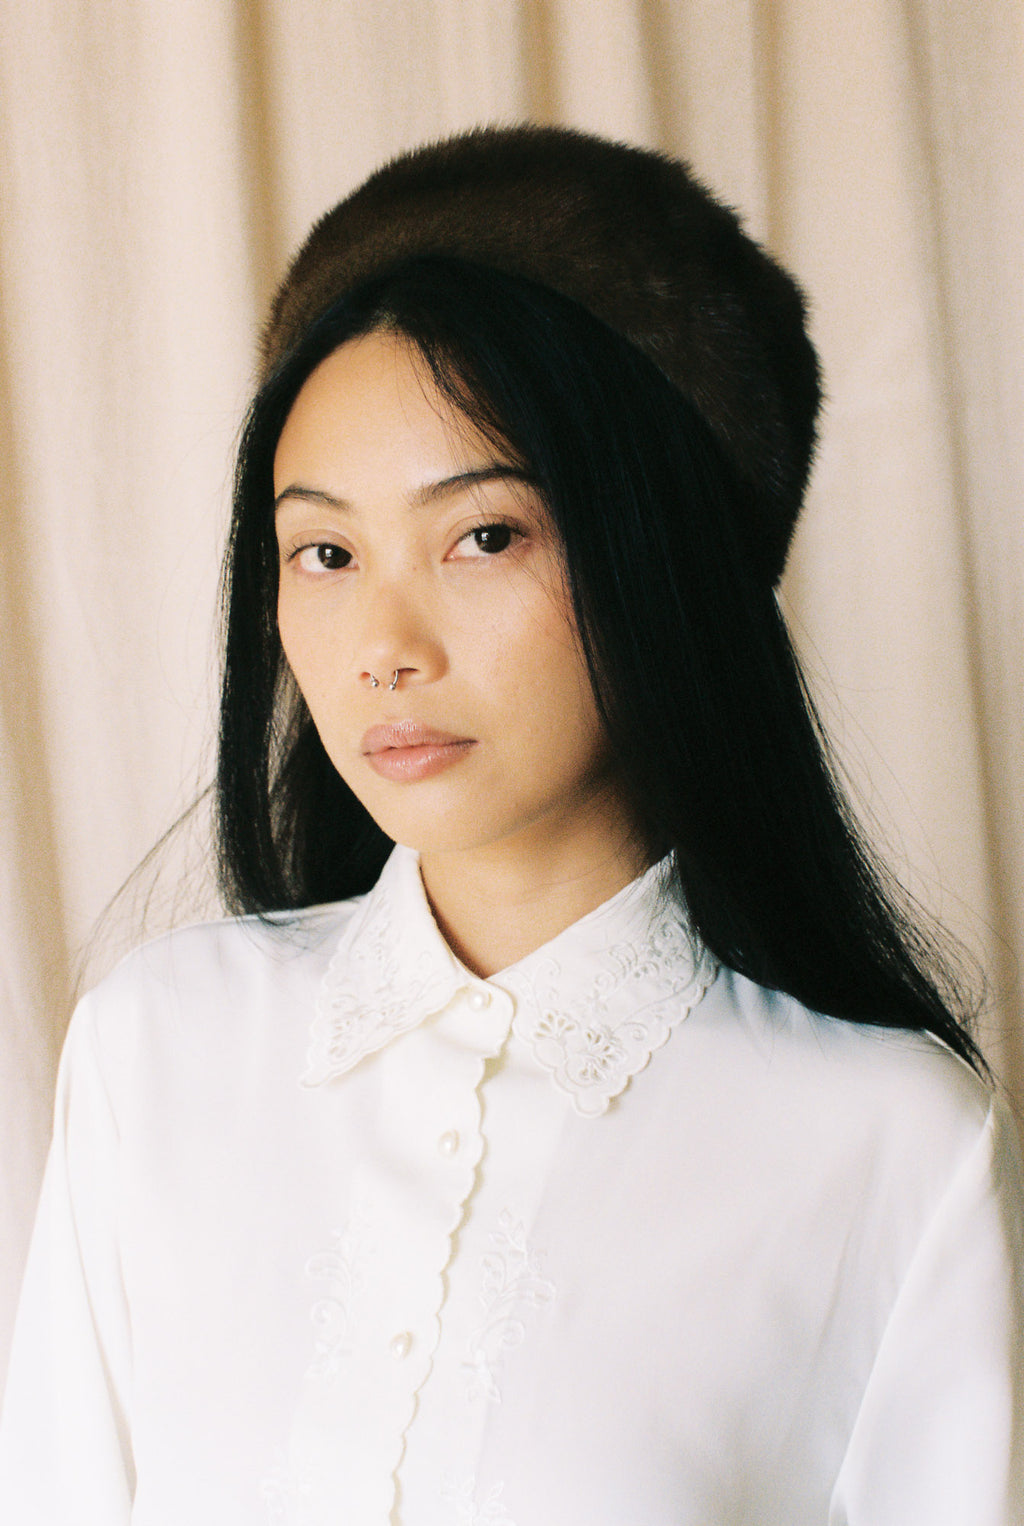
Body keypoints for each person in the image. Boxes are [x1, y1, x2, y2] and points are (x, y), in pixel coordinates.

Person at [1, 126, 1021, 1525]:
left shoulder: (895, 1140)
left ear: (665, 555)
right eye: (326, 552)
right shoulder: (156, 1044)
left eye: (483, 535)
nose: (382, 643)